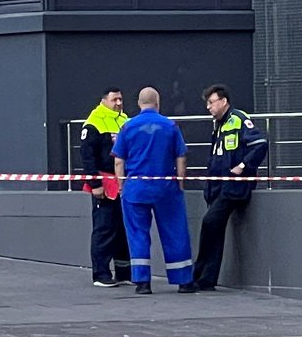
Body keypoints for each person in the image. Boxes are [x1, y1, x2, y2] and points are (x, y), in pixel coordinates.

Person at [111, 86, 194, 294]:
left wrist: (122, 186)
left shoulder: (128, 127)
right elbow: (181, 157)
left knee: (138, 234)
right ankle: (183, 281)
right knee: (175, 232)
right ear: (158, 103)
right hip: (166, 188)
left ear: (139, 104)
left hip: (135, 189)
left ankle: (142, 282)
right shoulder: (170, 126)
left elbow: (119, 161)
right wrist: (180, 183)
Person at [195, 83, 269, 292]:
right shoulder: (218, 124)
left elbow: (260, 143)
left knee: (210, 223)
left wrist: (242, 167)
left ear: (223, 101)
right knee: (213, 229)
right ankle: (205, 278)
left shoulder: (238, 119)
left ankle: (202, 274)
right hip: (218, 186)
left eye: (211, 102)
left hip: (232, 187)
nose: (208, 107)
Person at [79, 86, 131, 287]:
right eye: (114, 100)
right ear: (104, 101)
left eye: (120, 99)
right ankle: (100, 274)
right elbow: (87, 157)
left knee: (122, 229)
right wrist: (95, 184)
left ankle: (124, 273)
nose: (118, 103)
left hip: (122, 182)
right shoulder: (93, 123)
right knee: (104, 228)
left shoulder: (124, 120)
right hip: (104, 183)